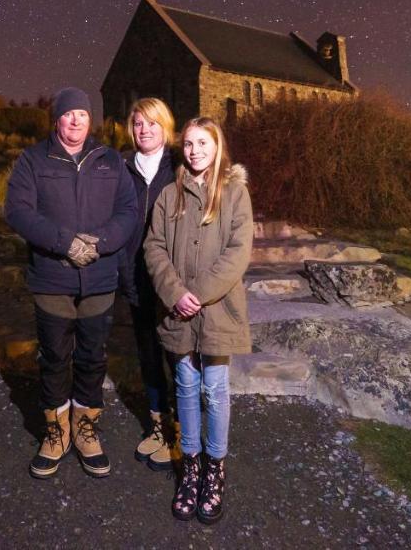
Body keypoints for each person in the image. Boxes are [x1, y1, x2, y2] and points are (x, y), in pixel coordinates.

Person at [4, 87, 140, 480]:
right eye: (69, 114)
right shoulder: (33, 160)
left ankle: (85, 429)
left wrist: (100, 244)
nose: (76, 120)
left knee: (93, 357)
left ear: (90, 119)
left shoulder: (110, 160)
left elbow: (128, 211)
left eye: (82, 113)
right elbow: (18, 211)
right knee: (53, 357)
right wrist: (65, 243)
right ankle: (55, 431)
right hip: (53, 278)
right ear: (56, 120)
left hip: (99, 277)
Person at [143, 117, 254, 524]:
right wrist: (175, 293)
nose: (194, 151)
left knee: (215, 388)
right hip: (178, 312)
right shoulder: (169, 196)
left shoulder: (234, 194)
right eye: (188, 144)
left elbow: (238, 252)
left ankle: (215, 468)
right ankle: (190, 466)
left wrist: (199, 293)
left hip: (218, 310)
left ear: (217, 145)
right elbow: (154, 248)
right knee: (186, 387)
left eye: (202, 143)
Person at [118, 97, 179, 472]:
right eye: (138, 124)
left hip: (170, 277)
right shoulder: (121, 167)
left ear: (165, 126)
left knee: (177, 355)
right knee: (148, 355)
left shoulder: (179, 165)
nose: (144, 130)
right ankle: (157, 427)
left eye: (152, 124)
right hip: (135, 274)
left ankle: (181, 430)